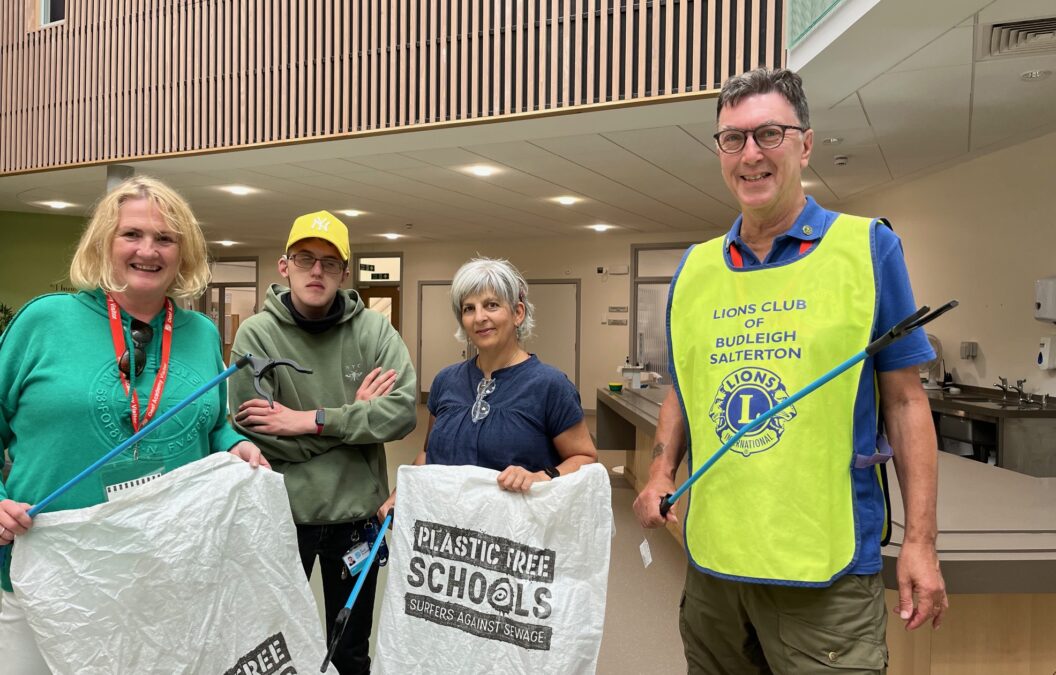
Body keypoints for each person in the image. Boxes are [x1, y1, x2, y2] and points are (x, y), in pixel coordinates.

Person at [631, 67, 947, 674]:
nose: (750, 154)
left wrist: (920, 542)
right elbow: (685, 385)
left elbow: (907, 402)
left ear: (805, 143)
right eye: (733, 139)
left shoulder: (867, 249)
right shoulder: (695, 269)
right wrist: (659, 470)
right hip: (713, 568)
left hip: (823, 574)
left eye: (769, 134)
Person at [0, 176, 267, 673]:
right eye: (132, 235)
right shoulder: (44, 322)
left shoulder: (202, 334)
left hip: (161, 578)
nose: (149, 250)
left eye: (165, 239)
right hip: (48, 576)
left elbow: (212, 426)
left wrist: (235, 447)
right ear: (104, 243)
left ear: (182, 254)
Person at [228, 210, 417, 675]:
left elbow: (402, 412)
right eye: (306, 259)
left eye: (330, 263)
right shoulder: (257, 335)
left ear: (344, 274)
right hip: (283, 517)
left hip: (357, 520)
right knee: (272, 642)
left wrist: (308, 421)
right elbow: (254, 435)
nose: (317, 271)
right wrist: (354, 419)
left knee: (350, 648)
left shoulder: (373, 331)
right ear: (284, 265)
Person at [379, 257, 596, 520]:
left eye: (491, 305)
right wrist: (402, 490)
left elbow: (585, 459)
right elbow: (430, 454)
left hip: (514, 537)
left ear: (518, 313)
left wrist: (541, 476)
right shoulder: (446, 381)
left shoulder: (550, 385)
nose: (480, 317)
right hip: (449, 532)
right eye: (469, 308)